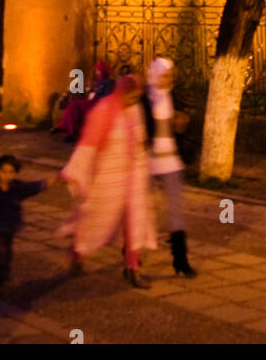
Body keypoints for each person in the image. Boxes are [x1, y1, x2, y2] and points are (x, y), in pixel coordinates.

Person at [61, 72, 157, 288]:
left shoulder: (135, 110)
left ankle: (132, 268)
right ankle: (77, 252)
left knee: (135, 221)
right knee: (93, 218)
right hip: (108, 176)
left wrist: (145, 169)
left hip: (133, 177)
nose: (132, 102)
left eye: (136, 98)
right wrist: (74, 171)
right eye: (130, 97)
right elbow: (89, 144)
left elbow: (140, 142)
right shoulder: (104, 110)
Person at [143, 56, 195, 277]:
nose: (167, 80)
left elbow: (182, 123)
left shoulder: (173, 96)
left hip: (172, 161)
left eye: (169, 76)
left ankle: (180, 260)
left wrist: (181, 123)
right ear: (154, 75)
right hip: (148, 162)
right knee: (142, 211)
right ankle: (131, 256)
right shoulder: (145, 100)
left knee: (175, 213)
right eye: (163, 76)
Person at [0, 153, 59, 287]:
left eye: (11, 172)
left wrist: (50, 181)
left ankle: (4, 274)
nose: (7, 175)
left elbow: (33, 187)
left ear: (15, 173)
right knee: (0, 251)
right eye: (4, 171)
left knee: (7, 251)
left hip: (10, 226)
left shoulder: (17, 188)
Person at [55, 61, 113, 144]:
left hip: (98, 104)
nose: (97, 72)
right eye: (96, 70)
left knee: (75, 105)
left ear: (103, 71)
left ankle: (64, 127)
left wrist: (96, 96)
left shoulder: (108, 82)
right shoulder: (96, 82)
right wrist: (90, 90)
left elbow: (107, 97)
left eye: (98, 70)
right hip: (91, 102)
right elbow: (91, 92)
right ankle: (70, 132)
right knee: (73, 105)